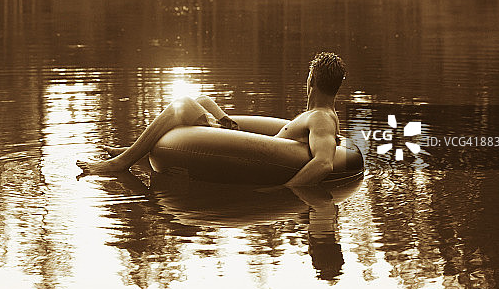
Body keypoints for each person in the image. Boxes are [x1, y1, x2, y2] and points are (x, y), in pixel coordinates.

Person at [77, 51, 346, 187]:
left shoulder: (321, 118)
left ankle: (121, 162)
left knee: (181, 105)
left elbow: (323, 163)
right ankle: (134, 152)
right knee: (204, 101)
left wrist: (285, 191)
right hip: (254, 142)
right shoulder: (322, 116)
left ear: (310, 81)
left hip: (259, 155)